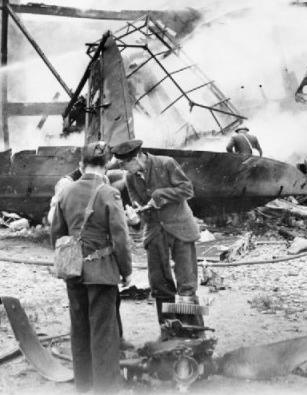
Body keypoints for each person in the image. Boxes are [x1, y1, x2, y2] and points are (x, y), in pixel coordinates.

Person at [51, 141, 133, 393]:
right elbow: (120, 238)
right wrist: (126, 270)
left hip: (73, 270)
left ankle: (84, 385)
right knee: (104, 333)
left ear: (81, 165)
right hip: (102, 272)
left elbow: (57, 234)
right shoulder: (109, 193)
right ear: (107, 165)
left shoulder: (66, 191)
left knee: (79, 328)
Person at [111, 139, 204, 336]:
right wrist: (137, 216)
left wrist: (160, 195)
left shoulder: (166, 163)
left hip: (180, 227)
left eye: (124, 164)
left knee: (186, 285)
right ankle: (169, 331)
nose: (122, 168)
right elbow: (138, 202)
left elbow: (188, 189)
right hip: (154, 230)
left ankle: (195, 332)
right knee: (160, 285)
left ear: (136, 158)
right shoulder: (130, 176)